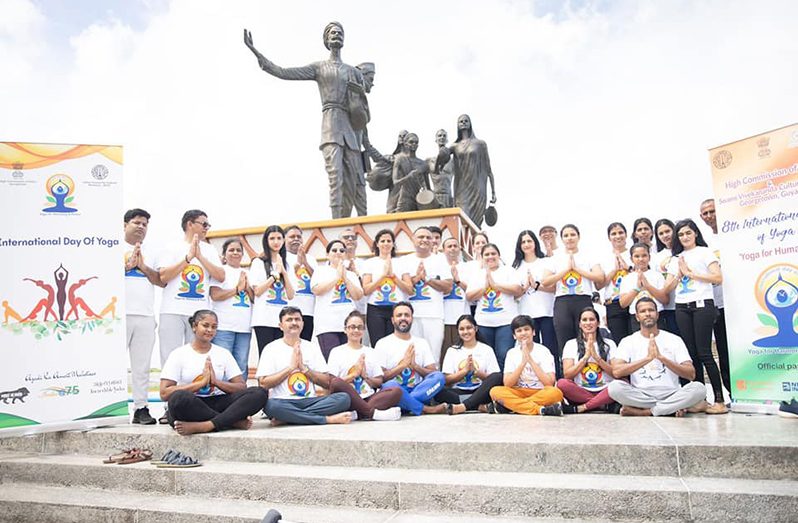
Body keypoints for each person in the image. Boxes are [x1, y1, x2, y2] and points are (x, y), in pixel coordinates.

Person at [244, 22, 368, 218]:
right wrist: (257, 54)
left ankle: (346, 222)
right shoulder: (319, 67)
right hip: (331, 126)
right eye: (333, 33)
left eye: (340, 33)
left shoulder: (353, 71)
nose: (337, 35)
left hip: (350, 130)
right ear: (326, 40)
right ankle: (335, 224)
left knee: (352, 179)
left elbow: (363, 106)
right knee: (335, 175)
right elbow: (284, 72)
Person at [159, 310, 268, 435]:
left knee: (259, 393)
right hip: (192, 404)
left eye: (214, 327)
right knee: (178, 399)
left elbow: (241, 387)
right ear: (194, 326)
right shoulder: (179, 354)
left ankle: (207, 425)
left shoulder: (223, 353)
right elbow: (164, 393)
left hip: (218, 401)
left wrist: (216, 382)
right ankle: (231, 422)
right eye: (205, 325)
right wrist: (200, 384)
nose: (210, 330)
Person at [663, 219, 727, 414]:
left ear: (695, 233)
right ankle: (700, 398)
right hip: (682, 307)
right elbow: (668, 287)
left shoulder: (705, 252)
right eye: (680, 234)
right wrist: (678, 275)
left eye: (687, 233)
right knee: (691, 354)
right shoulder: (676, 258)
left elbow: (717, 277)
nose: (684, 237)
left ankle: (719, 399)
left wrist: (691, 274)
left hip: (703, 305)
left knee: (705, 352)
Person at [156, 209, 224, 387]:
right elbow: (163, 276)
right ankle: (169, 406)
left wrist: (200, 256)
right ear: (190, 224)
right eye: (204, 224)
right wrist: (188, 258)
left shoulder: (209, 249)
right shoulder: (171, 247)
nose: (207, 228)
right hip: (172, 310)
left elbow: (220, 275)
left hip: (199, 314)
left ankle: (195, 401)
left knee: (196, 359)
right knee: (170, 357)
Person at [608, 298, 706, 416]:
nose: (648, 314)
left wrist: (661, 358)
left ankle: (647, 412)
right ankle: (670, 408)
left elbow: (691, 374)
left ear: (657, 314)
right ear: (637, 317)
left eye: (651, 310)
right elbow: (617, 371)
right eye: (643, 311)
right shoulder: (628, 341)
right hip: (641, 395)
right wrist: (647, 359)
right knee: (614, 388)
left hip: (671, 394)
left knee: (699, 388)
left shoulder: (674, 339)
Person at [256, 307, 352, 425]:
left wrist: (304, 369)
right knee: (270, 406)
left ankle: (288, 418)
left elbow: (326, 382)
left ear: (302, 324)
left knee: (344, 399)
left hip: (310, 401)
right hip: (283, 401)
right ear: (280, 325)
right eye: (289, 320)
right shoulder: (271, 348)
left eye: (297, 319)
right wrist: (290, 368)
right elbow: (264, 383)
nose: (294, 323)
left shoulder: (312, 347)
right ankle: (326, 419)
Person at [542, 224, 603, 379]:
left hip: (583, 300)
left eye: (572, 235)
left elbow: (599, 277)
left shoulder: (589, 256)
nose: (569, 238)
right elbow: (545, 281)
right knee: (564, 340)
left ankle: (588, 376)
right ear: (562, 239)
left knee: (586, 337)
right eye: (566, 235)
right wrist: (565, 270)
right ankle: (566, 380)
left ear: (578, 237)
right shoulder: (555, 259)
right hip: (563, 301)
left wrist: (577, 269)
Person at [123, 208, 164, 425]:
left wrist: (142, 266)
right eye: (136, 222)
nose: (141, 227)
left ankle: (141, 408)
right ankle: (113, 408)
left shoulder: (153, 251)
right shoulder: (112, 247)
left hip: (145, 315)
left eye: (145, 224)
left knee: (142, 366)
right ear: (125, 225)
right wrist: (126, 266)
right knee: (112, 365)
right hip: (118, 315)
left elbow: (160, 280)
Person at [372, 302, 449, 415]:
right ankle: (425, 409)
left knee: (439, 377)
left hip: (419, 390)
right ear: (393, 320)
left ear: (412, 319)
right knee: (390, 386)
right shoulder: (383, 343)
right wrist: (402, 366)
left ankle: (407, 403)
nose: (403, 318)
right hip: (395, 390)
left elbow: (432, 372)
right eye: (399, 315)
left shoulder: (421, 343)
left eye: (406, 315)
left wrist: (415, 366)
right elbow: (381, 378)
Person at [326, 311, 403, 420]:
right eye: (352, 327)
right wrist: (353, 375)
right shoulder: (336, 351)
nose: (356, 330)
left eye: (359, 327)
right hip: (347, 398)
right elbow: (332, 383)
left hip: (368, 397)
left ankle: (358, 414)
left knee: (396, 391)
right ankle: (373, 414)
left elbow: (378, 382)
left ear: (363, 330)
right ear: (345, 329)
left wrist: (365, 376)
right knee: (336, 382)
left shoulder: (371, 352)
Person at [489, 315, 564, 415]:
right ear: (514, 336)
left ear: (533, 332)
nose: (523, 333)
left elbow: (549, 383)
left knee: (555, 393)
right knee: (495, 391)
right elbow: (507, 383)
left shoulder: (543, 351)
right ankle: (540, 409)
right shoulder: (512, 353)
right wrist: (523, 363)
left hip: (540, 392)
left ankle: (513, 407)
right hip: (519, 392)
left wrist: (530, 360)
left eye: (526, 329)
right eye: (519, 331)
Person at [465, 243, 523, 370]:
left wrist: (496, 286)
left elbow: (518, 290)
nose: (490, 257)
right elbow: (469, 296)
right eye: (487, 254)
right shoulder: (477, 274)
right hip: (483, 322)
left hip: (506, 322)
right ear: (482, 257)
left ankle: (502, 386)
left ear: (499, 255)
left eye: (493, 254)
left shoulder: (509, 271)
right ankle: (488, 386)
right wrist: (484, 288)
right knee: (486, 357)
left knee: (503, 355)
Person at [400, 227, 453, 363]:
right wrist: (416, 278)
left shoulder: (440, 260)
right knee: (412, 355)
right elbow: (402, 288)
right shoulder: (404, 260)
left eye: (428, 238)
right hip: (410, 316)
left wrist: (428, 279)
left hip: (434, 315)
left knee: (433, 356)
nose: (424, 240)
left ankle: (433, 382)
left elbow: (448, 287)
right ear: (413, 240)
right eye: (421, 237)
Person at [556, 307, 617, 413]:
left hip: (605, 389)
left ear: (598, 323)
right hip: (582, 391)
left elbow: (615, 373)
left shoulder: (609, 344)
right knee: (562, 383)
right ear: (579, 324)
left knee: (622, 383)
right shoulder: (571, 344)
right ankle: (601, 405)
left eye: (592, 319)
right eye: (584, 320)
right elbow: (568, 375)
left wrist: (597, 358)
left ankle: (583, 407)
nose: (588, 323)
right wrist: (586, 357)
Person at [440, 114, 497, 227]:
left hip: (478, 187)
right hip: (462, 187)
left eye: (466, 121)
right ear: (457, 125)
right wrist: (441, 149)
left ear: (470, 123)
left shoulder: (480, 144)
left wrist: (493, 192)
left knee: (476, 220)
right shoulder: (454, 146)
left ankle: (476, 241)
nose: (463, 123)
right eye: (461, 121)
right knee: (463, 216)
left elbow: (488, 169)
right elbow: (441, 161)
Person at [699, 198, 731, 399]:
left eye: (713, 211)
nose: (710, 216)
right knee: (723, 351)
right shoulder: (706, 245)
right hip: (716, 304)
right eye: (705, 213)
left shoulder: (734, 236)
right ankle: (732, 393)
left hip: (737, 302)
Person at [311, 240, 363, 360]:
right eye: (334, 250)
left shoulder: (351, 274)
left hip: (349, 325)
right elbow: (317, 290)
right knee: (332, 361)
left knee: (350, 360)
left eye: (341, 250)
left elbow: (358, 295)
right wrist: (337, 278)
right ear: (327, 254)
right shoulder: (320, 271)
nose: (338, 253)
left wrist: (345, 278)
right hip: (327, 325)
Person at [210, 239, 254, 376]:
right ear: (224, 254)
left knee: (241, 364)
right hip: (224, 327)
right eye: (231, 250)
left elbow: (254, 299)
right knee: (222, 364)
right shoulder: (221, 271)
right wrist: (236, 289)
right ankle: (221, 395)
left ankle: (240, 396)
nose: (235, 253)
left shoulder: (248, 272)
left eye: (238, 250)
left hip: (244, 327)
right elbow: (215, 295)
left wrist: (247, 288)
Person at [442, 315, 503, 414]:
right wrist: (464, 371)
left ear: (476, 329)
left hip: (480, 391)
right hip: (458, 392)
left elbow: (493, 378)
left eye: (469, 328)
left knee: (498, 377)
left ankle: (463, 406)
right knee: (438, 391)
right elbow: (447, 380)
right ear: (458, 331)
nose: (465, 332)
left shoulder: (486, 349)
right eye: (462, 329)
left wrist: (476, 373)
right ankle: (478, 406)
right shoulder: (452, 351)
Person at [250, 225, 295, 355]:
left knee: (283, 356)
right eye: (272, 238)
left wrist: (284, 272)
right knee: (266, 356)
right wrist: (275, 274)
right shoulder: (258, 262)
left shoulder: (287, 264)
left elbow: (291, 295)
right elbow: (257, 291)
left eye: (279, 238)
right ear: (266, 241)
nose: (276, 242)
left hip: (283, 319)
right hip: (264, 319)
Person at [361, 229, 409, 345]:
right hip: (375, 309)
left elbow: (409, 289)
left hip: (396, 308)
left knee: (396, 343)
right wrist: (383, 276)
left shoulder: (401, 262)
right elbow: (366, 290)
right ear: (377, 244)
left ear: (393, 244)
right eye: (382, 241)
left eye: (389, 241)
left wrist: (393, 276)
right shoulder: (369, 263)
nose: (386, 243)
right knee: (377, 344)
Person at [512, 230, 557, 353]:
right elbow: (514, 295)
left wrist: (537, 286)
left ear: (535, 243)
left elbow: (555, 288)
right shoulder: (515, 267)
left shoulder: (546, 262)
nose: (526, 244)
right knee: (531, 349)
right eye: (523, 242)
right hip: (526, 313)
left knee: (550, 347)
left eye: (529, 241)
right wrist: (525, 288)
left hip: (547, 311)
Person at [619, 243, 669, 332]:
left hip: (657, 316)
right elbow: (623, 303)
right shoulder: (627, 278)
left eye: (644, 256)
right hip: (636, 317)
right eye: (637, 256)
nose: (641, 259)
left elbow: (665, 300)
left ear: (649, 257)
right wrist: (637, 288)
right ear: (631, 259)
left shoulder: (657, 276)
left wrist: (647, 286)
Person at [601, 222, 632, 344]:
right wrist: (614, 270)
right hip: (613, 303)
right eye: (613, 234)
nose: (617, 236)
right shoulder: (604, 258)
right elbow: (599, 285)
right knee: (619, 343)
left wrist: (627, 268)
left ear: (626, 234)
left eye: (620, 232)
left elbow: (644, 275)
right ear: (609, 237)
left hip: (632, 300)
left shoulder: (634, 253)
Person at [285, 225, 317, 341]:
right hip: (290, 308)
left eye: (299, 236)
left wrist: (305, 263)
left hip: (308, 310)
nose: (296, 239)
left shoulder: (311, 258)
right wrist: (297, 265)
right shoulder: (282, 257)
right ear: (284, 240)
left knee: (305, 344)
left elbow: (317, 280)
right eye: (292, 237)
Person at [441, 238, 469, 363]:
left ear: (459, 249)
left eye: (455, 246)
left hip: (462, 315)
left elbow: (472, 291)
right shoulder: (439, 267)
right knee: (445, 353)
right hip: (444, 317)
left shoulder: (468, 268)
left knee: (463, 353)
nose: (452, 248)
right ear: (444, 250)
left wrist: (457, 279)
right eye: (449, 246)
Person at [392, 132, 431, 213]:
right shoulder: (400, 159)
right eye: (411, 142)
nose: (414, 144)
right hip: (405, 199)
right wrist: (409, 176)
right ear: (406, 144)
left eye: (416, 142)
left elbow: (428, 188)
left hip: (418, 199)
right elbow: (395, 182)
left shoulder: (423, 164)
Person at [653, 219, 679, 334]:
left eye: (667, 231)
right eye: (661, 233)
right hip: (668, 306)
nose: (665, 235)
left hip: (688, 302)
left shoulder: (684, 250)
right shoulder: (656, 257)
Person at [428, 129, 453, 208]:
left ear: (447, 140)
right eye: (439, 135)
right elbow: (419, 175)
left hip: (448, 196)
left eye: (444, 136)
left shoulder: (453, 162)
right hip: (435, 196)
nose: (442, 137)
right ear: (436, 140)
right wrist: (427, 189)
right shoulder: (429, 161)